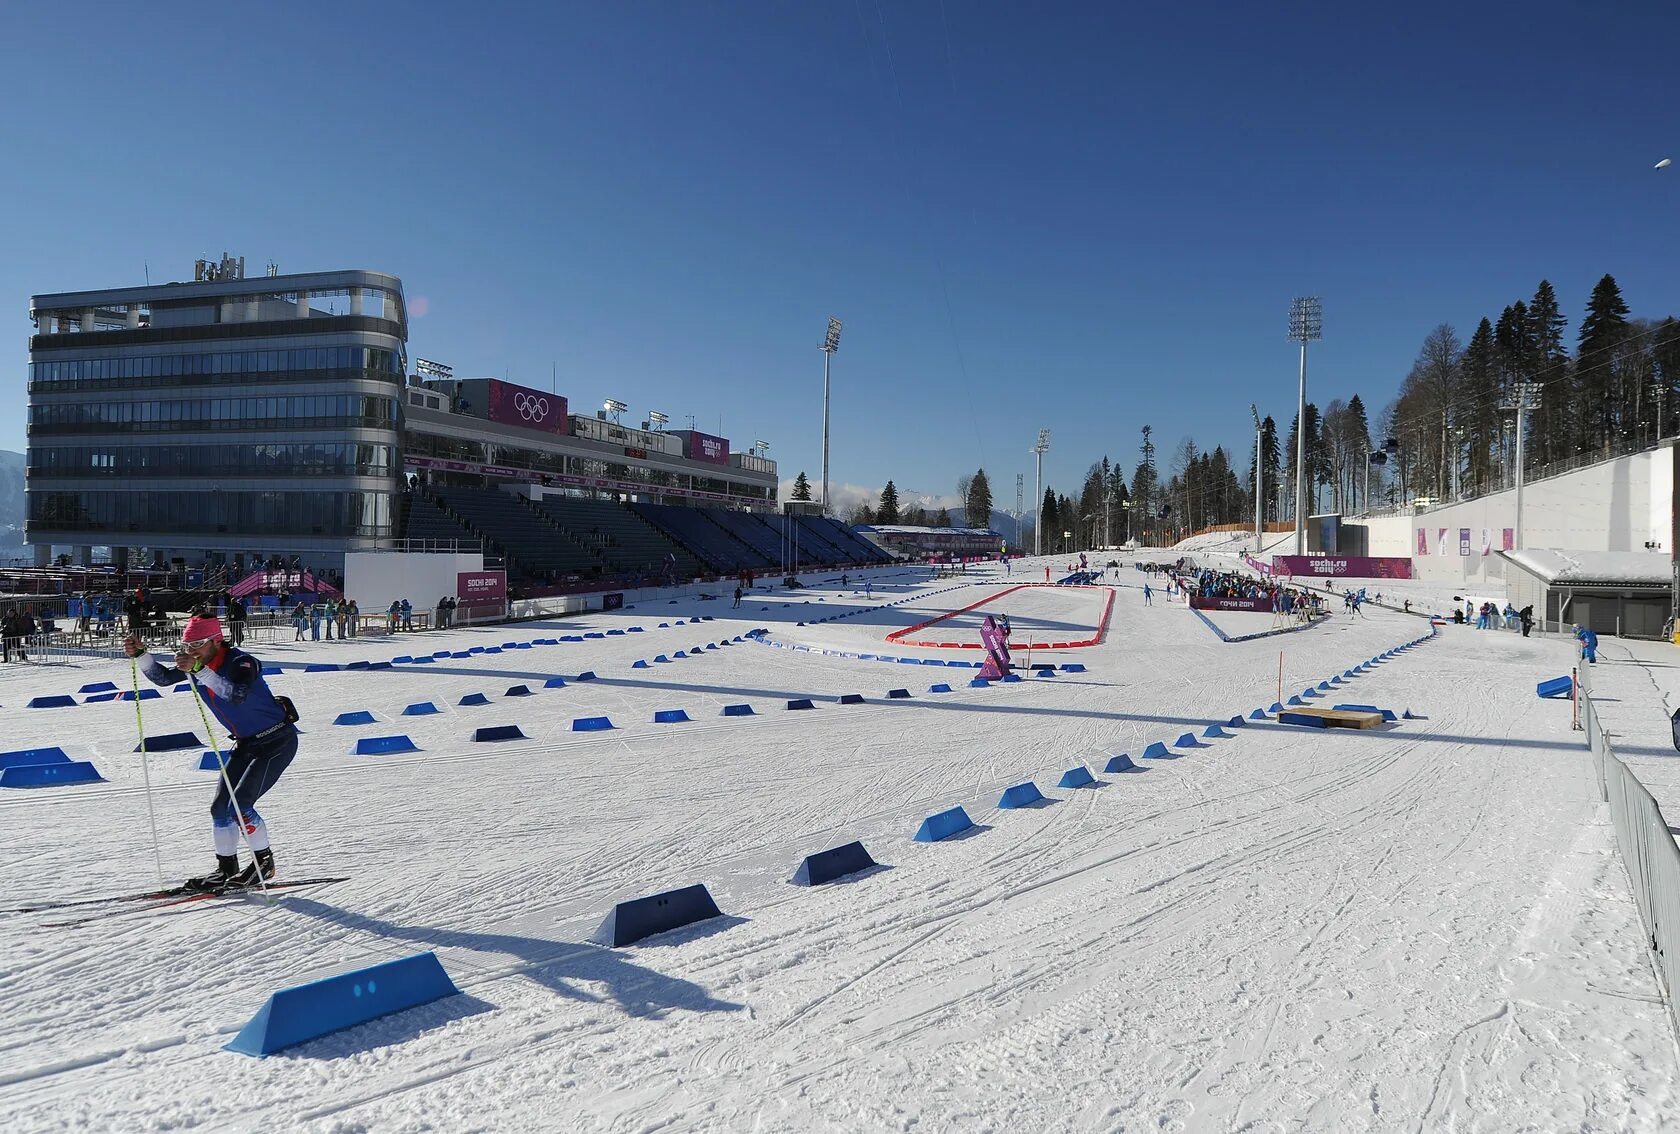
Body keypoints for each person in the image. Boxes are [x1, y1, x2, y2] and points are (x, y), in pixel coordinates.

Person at [123, 613, 298, 891]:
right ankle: (226, 868)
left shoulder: (241, 662)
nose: (191, 651)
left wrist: (198, 670)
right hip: (246, 743)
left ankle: (264, 864)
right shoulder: (198, 663)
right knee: (219, 808)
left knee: (240, 806)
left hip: (276, 741)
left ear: (216, 641)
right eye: (187, 645)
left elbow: (235, 694)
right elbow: (163, 678)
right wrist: (142, 655)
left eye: (199, 644)